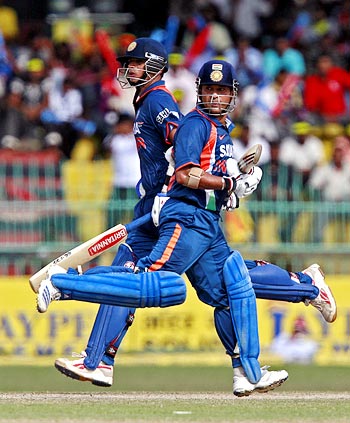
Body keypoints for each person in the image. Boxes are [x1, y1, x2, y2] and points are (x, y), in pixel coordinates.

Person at [36, 39, 335, 390]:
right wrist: (227, 179)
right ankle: (302, 290)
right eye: (209, 90)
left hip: (171, 209)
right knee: (227, 286)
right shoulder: (175, 110)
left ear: (152, 66)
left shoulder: (161, 101)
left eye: (134, 63)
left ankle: (77, 312)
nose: (127, 69)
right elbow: (196, 151)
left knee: (145, 279)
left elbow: (184, 145)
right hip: (177, 208)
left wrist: (203, 185)